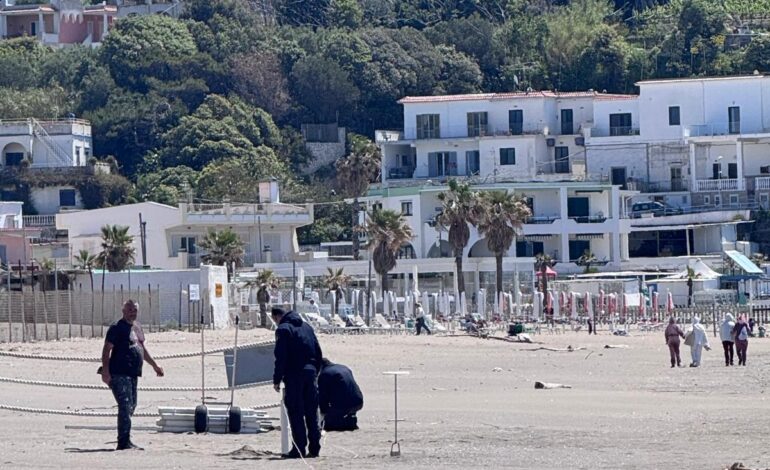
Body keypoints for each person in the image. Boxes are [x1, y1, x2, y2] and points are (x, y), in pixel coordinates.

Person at [101, 300, 164, 450]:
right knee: (125, 405)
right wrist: (105, 370)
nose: (132, 312)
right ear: (123, 311)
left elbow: (142, 349)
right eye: (129, 310)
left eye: (134, 310)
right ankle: (123, 442)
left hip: (133, 373)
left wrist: (155, 365)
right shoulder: (116, 328)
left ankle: (125, 437)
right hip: (119, 372)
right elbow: (106, 350)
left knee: (132, 405)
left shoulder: (137, 327)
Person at [272, 307, 323, 459]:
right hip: (310, 373)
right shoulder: (307, 327)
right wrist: (315, 371)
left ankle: (299, 448)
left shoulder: (283, 329)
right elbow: (318, 351)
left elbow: (281, 357)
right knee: (311, 411)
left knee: (296, 412)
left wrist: (277, 379)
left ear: (276, 317)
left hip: (294, 375)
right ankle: (315, 448)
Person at [317, 358, 364, 431]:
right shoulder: (344, 367)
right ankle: (350, 419)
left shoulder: (325, 374)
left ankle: (344, 422)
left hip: (344, 405)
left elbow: (323, 398)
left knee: (328, 424)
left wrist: (324, 413)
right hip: (359, 401)